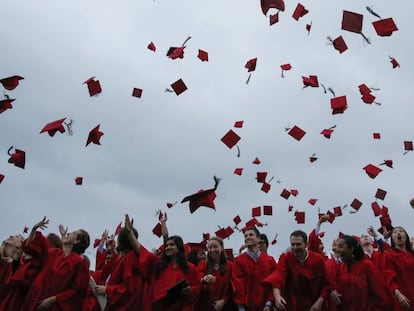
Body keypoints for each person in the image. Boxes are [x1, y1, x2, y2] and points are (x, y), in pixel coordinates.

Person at [122, 214, 199, 311]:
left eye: (172, 245)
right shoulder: (159, 264)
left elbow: (197, 287)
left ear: (179, 248)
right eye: (166, 246)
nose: (168, 247)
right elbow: (141, 251)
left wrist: (190, 290)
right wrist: (130, 233)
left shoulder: (190, 268)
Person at [21, 218, 90, 311]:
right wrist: (34, 229)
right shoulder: (55, 253)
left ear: (77, 241)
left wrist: (54, 299)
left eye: (73, 233)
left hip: (52, 306)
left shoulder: (79, 262)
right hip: (35, 298)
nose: (69, 233)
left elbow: (78, 291)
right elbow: (32, 248)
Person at [263, 230, 329, 311]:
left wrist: (320, 301)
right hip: (293, 304)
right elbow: (278, 276)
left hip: (313, 303)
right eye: (292, 244)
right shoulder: (286, 258)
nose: (295, 247)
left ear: (306, 244)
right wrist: (277, 296)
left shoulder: (317, 260)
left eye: (298, 244)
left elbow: (326, 283)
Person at [329, 234, 393, 310]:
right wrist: (334, 291)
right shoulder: (342, 267)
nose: (338, 249)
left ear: (351, 248)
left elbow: (381, 294)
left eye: (341, 246)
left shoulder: (367, 266)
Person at [0, 219, 49, 311]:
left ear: (20, 245)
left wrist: (33, 230)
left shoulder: (21, 266)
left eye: (17, 236)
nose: (11, 236)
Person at [231, 226, 277, 311]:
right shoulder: (238, 261)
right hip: (246, 307)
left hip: (266, 307)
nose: (247, 237)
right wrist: (241, 308)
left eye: (251, 235)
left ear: (258, 239)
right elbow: (238, 286)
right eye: (245, 236)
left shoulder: (270, 261)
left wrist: (269, 303)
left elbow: (273, 283)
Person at [196, 236, 236, 311]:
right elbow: (196, 283)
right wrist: (203, 279)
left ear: (222, 248)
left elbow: (233, 288)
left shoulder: (230, 266)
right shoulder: (203, 265)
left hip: (225, 307)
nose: (212, 250)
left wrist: (224, 300)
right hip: (205, 307)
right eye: (210, 247)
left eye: (215, 247)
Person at [383, 226, 414, 310]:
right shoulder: (388, 255)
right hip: (403, 295)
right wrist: (397, 293)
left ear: (406, 236)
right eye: (395, 232)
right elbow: (388, 275)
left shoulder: (412, 254)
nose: (398, 233)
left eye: (401, 231)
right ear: (392, 238)